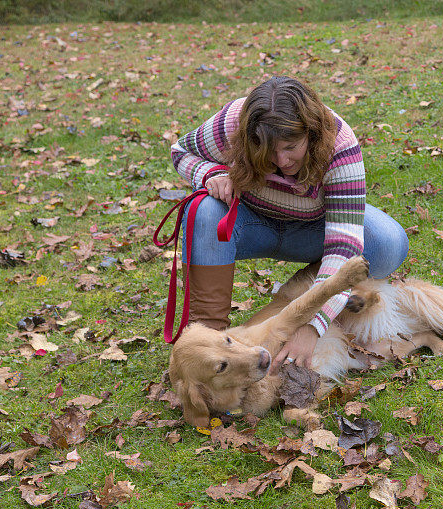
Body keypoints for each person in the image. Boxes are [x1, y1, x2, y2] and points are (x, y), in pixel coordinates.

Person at [170, 76, 408, 374]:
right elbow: (180, 151)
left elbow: (343, 246)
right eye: (268, 151)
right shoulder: (231, 124)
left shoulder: (340, 144)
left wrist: (311, 325)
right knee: (203, 209)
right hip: (251, 223)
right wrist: (210, 173)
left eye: (290, 147)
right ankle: (210, 341)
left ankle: (314, 292)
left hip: (312, 229)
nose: (280, 160)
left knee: (386, 243)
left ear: (311, 133)